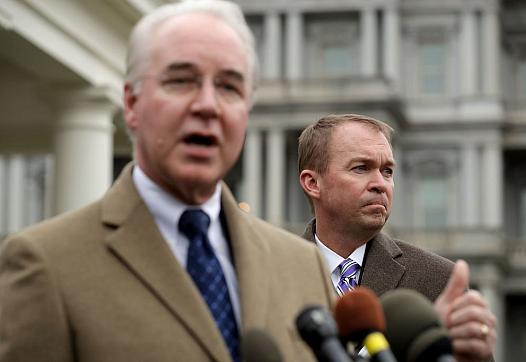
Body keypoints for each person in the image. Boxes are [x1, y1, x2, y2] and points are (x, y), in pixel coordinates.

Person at [0, 2, 334, 361]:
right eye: (181, 81)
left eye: (229, 87)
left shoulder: (305, 266)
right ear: (131, 103)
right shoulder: (45, 263)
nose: (208, 105)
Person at [298, 113, 497, 362]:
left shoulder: (439, 280)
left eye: (388, 171)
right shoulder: (270, 273)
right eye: (361, 168)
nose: (380, 184)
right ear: (312, 183)